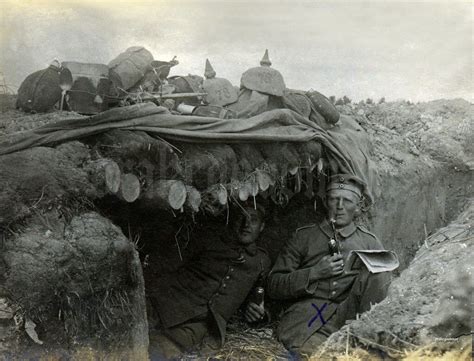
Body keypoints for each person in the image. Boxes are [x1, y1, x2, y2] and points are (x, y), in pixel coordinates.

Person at [267, 174, 393, 358]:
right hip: (305, 321)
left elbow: (381, 289)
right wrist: (314, 273)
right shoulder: (304, 237)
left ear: (357, 208)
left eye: (347, 201)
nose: (340, 206)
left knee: (379, 273)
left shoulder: (369, 242)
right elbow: (274, 285)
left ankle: (368, 337)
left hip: (349, 318)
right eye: (334, 199)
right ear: (326, 202)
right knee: (318, 355)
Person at [149, 203, 270, 358]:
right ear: (232, 220)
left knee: (161, 350)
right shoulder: (210, 241)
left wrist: (255, 310)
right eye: (241, 217)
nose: (246, 224)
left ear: (262, 226)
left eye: (253, 220)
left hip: (204, 324)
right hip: (168, 304)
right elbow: (169, 265)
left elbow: (262, 298)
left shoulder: (262, 261)